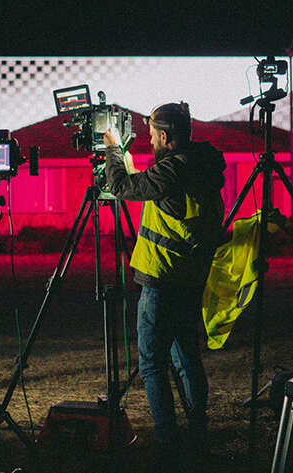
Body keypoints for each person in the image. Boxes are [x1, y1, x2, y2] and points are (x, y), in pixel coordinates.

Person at [102, 102, 226, 463]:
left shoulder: (171, 170)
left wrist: (113, 150)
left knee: (152, 363)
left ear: (166, 136)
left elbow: (121, 185)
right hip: (189, 278)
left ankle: (168, 443)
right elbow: (145, 184)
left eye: (153, 136)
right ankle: (196, 432)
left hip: (162, 279)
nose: (150, 141)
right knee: (187, 357)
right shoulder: (200, 164)